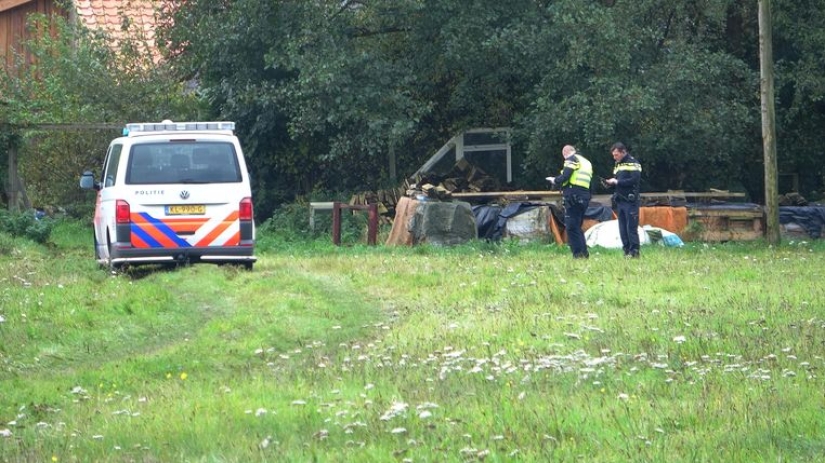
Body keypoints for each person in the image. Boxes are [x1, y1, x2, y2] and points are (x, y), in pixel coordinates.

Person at [547, 145, 593, 258]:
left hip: (573, 196)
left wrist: (555, 180)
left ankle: (578, 255)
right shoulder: (586, 162)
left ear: (565, 153)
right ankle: (584, 253)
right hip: (584, 196)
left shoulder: (571, 159)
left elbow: (566, 175)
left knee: (571, 227)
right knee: (577, 226)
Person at [604, 142, 642, 258]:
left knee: (631, 227)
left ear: (623, 152)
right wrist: (610, 183)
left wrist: (617, 182)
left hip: (630, 200)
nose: (614, 157)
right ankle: (626, 251)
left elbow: (634, 180)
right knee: (622, 227)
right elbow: (617, 180)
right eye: (613, 155)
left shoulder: (633, 163)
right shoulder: (618, 164)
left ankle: (634, 252)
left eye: (616, 155)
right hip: (620, 200)